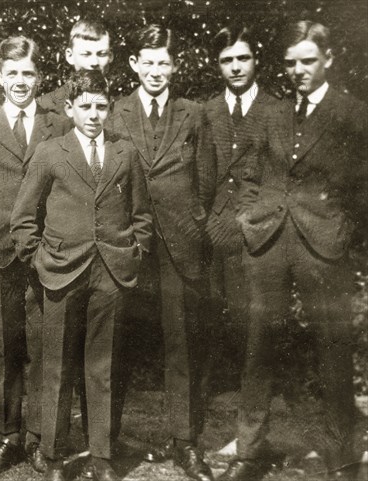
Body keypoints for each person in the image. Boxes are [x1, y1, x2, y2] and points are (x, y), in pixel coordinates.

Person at [219, 21, 367, 481]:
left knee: (333, 348)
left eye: (307, 61)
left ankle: (341, 456)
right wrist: (247, 221)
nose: (298, 70)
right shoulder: (271, 113)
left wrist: (343, 231)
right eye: (290, 62)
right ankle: (250, 452)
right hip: (267, 244)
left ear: (327, 60)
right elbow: (246, 174)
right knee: (258, 345)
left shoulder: (353, 113)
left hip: (324, 246)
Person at [11, 68, 153, 481]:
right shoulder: (50, 151)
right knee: (56, 366)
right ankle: (53, 457)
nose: (94, 114)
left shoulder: (125, 153)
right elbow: (23, 217)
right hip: (59, 272)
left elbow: (142, 215)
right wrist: (38, 258)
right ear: (70, 108)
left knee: (102, 365)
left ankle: (102, 457)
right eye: (85, 106)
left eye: (101, 106)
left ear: (110, 109)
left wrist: (134, 253)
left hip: (111, 272)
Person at [0, 35, 72, 476]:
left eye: (28, 73)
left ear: (39, 77)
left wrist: (54, 243)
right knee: (7, 349)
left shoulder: (57, 124)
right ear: (0, 78)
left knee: (47, 350)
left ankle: (44, 440)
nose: (20, 81)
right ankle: (10, 437)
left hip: (46, 256)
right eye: (13, 74)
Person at [107, 24, 215, 481]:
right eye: (147, 62)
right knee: (113, 343)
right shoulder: (114, 112)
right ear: (134, 64)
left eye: (163, 62)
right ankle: (104, 443)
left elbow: (207, 180)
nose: (155, 70)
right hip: (130, 242)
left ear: (175, 66)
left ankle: (185, 443)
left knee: (181, 345)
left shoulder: (193, 113)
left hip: (178, 245)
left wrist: (192, 223)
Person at [202, 25, 281, 392]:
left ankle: (249, 428)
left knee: (254, 331)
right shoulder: (206, 112)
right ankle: (199, 420)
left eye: (242, 58)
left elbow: (281, 180)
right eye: (226, 60)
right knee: (207, 326)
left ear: (257, 60)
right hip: (211, 236)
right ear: (217, 66)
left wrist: (253, 222)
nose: (235, 67)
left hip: (257, 236)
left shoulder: (277, 110)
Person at [38, 18, 113, 115]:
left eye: (101, 54)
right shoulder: (44, 107)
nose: (94, 62)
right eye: (86, 54)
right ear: (70, 56)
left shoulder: (125, 105)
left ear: (110, 56)